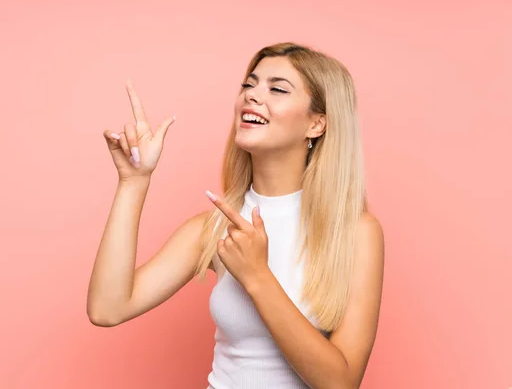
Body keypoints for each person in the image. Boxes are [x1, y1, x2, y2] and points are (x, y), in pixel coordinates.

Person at [86, 42, 385, 389]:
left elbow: (341, 383)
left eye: (277, 88)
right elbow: (107, 309)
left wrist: (257, 276)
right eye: (249, 84)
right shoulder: (214, 228)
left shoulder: (355, 233)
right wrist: (133, 182)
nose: (252, 96)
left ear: (316, 124)